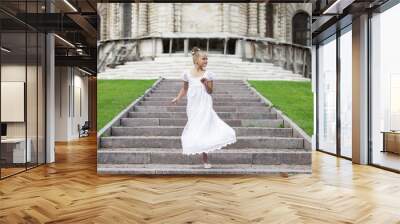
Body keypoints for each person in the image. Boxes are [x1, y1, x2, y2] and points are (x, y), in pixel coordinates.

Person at [171, 46, 237, 169]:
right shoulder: (187, 74)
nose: (206, 61)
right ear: (196, 60)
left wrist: (206, 83)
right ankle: (200, 149)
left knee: (205, 126)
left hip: (205, 103)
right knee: (196, 127)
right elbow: (184, 88)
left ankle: (205, 159)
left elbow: (210, 91)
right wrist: (178, 98)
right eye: (204, 59)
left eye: (207, 59)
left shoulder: (208, 74)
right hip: (193, 105)